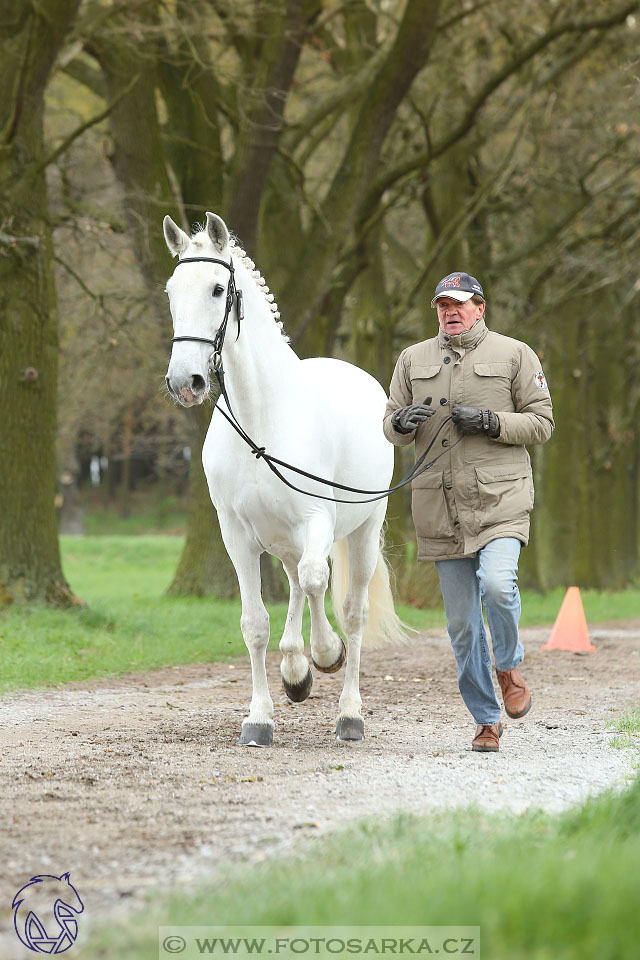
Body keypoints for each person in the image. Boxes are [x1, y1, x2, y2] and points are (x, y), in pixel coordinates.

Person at [383, 272, 554, 752]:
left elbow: (543, 422)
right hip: (439, 506)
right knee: (461, 625)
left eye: (459, 304)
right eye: (442, 305)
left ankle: (509, 667)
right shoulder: (412, 359)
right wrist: (400, 422)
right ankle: (485, 718)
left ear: (480, 308)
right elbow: (389, 424)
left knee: (499, 586)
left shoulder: (515, 354)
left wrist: (491, 423)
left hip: (499, 500)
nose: (449, 312)